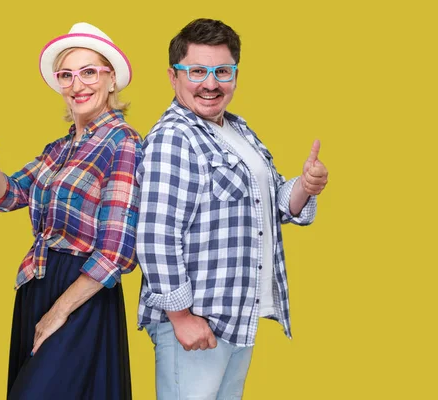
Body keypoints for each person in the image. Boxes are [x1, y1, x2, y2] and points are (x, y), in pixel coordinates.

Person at [136, 18, 329, 400]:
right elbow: (155, 234)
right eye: (197, 71)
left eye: (222, 71)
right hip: (197, 323)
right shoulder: (174, 137)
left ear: (236, 75)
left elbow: (272, 203)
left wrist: (305, 187)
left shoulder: (238, 131)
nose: (211, 84)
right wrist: (182, 317)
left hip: (236, 317)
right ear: (174, 77)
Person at [0, 22, 141, 400]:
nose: (77, 84)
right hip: (37, 283)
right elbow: (8, 195)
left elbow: (116, 250)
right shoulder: (58, 149)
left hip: (82, 291)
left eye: (89, 72)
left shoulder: (123, 143)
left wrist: (60, 311)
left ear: (111, 80)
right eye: (67, 75)